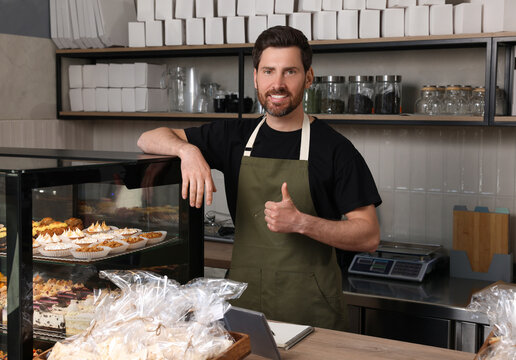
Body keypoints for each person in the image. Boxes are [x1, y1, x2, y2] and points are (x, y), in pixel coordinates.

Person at [137, 25, 381, 330]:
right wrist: (187, 152)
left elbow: (369, 235)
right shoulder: (233, 136)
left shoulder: (335, 149)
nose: (277, 84)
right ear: (255, 77)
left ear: (308, 77)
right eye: (268, 71)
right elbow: (148, 138)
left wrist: (301, 223)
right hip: (244, 307)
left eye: (289, 72)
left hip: (311, 312)